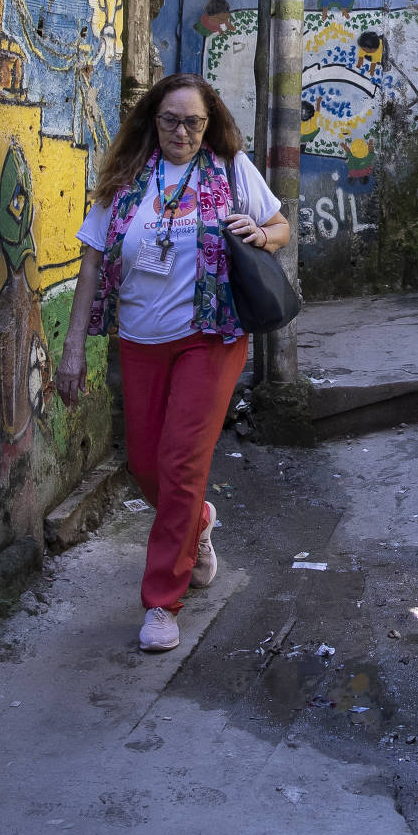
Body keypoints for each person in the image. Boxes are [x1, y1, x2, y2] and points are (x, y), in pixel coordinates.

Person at [53, 74, 289, 652]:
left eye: (194, 122)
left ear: (210, 124)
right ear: (151, 121)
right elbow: (90, 266)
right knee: (145, 463)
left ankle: (162, 601)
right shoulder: (123, 183)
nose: (182, 132)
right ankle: (197, 526)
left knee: (181, 462)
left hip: (210, 337)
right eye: (170, 121)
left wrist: (260, 232)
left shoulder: (231, 170)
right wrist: (74, 348)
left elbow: (280, 227)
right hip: (138, 339)